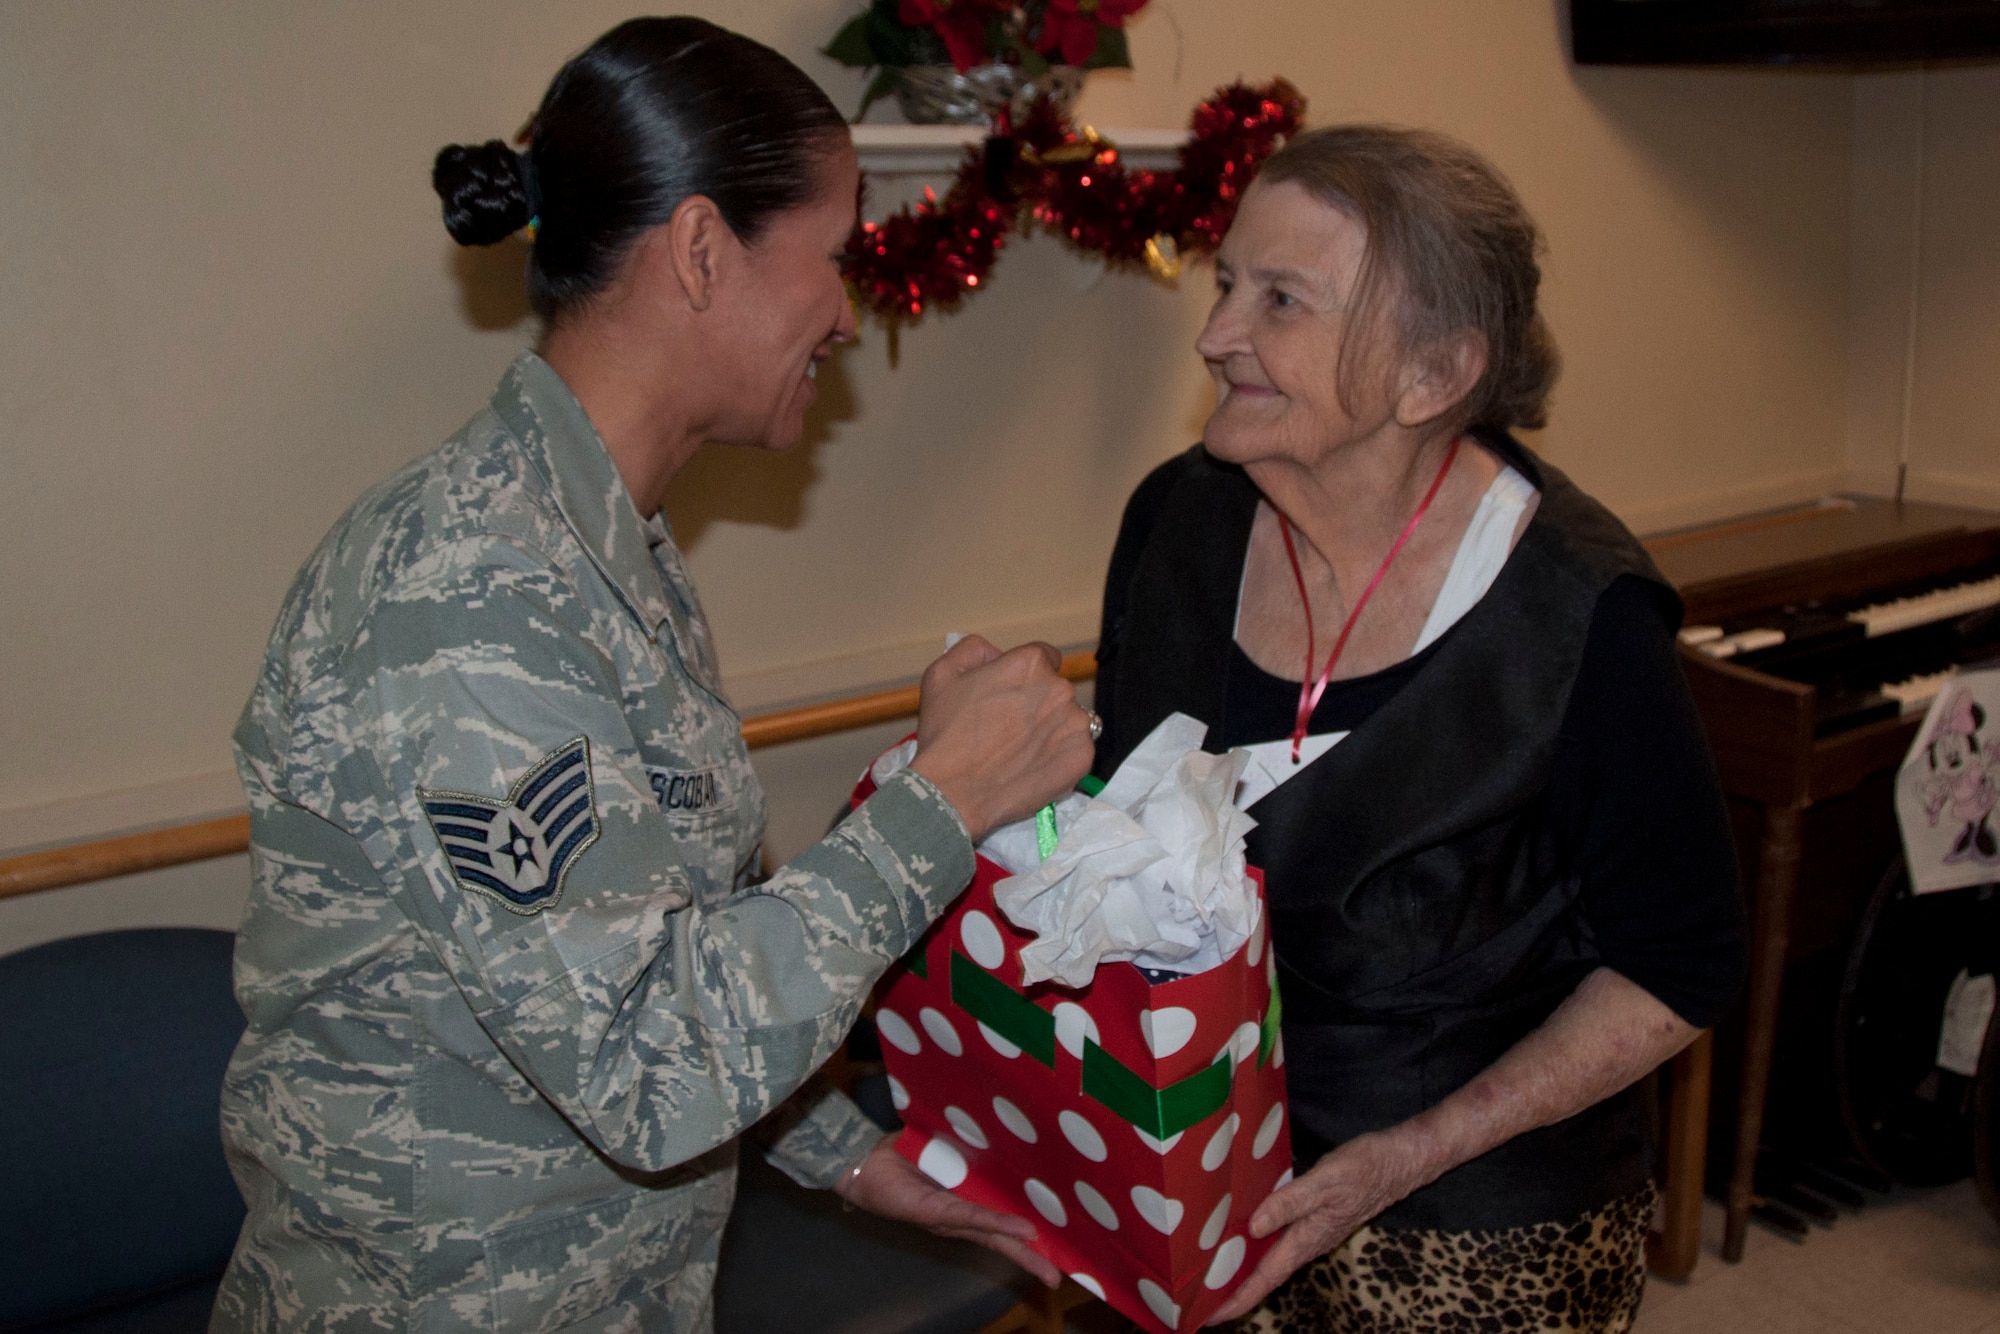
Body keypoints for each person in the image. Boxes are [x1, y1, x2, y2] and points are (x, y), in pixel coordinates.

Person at [212, 18, 1092, 1332]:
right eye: (835, 258)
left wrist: (846, 1151)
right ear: (699, 251)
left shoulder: (610, 552)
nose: (847, 315)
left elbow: (667, 951)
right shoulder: (465, 587)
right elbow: (645, 1067)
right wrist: (943, 800)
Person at [1088, 126, 1746, 1332]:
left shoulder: (1577, 615)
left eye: (1281, 299)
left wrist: (1412, 1150)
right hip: (1191, 1166)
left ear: (1431, 374)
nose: (1216, 332)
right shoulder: (1176, 523)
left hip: (1472, 1215)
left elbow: (1680, 960)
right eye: (1227, 279)